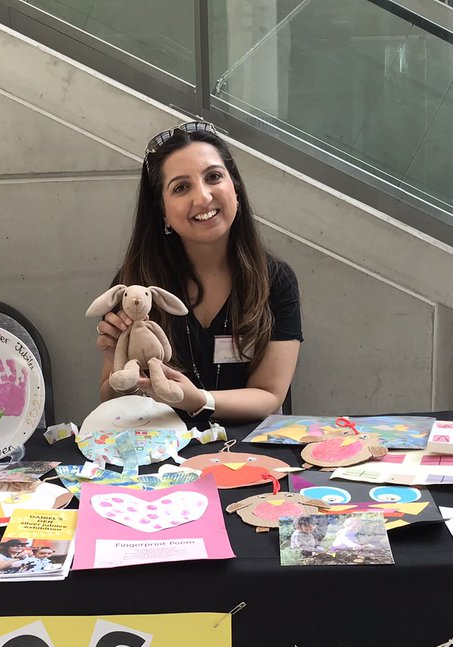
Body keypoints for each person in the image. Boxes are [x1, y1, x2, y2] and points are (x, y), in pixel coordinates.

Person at [95, 122, 303, 423]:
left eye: (214, 177)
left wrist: (199, 400)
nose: (203, 197)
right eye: (181, 187)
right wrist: (114, 361)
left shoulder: (275, 280)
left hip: (246, 451)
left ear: (236, 189)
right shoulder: (134, 285)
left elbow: (270, 394)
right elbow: (110, 398)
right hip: (158, 448)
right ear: (162, 212)